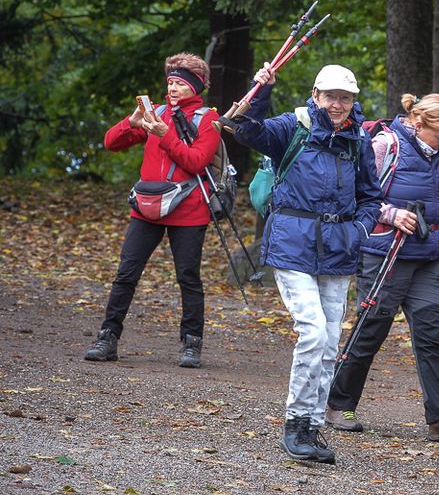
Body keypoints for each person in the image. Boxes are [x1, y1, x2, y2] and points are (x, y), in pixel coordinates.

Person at [229, 62, 382, 465]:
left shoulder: (357, 140)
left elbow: (371, 195)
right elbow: (245, 130)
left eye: (345, 97)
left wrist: (361, 230)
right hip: (292, 244)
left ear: (353, 101)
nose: (337, 104)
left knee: (330, 343)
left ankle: (312, 427)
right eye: (330, 96)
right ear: (315, 96)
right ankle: (295, 423)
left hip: (339, 248)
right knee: (313, 332)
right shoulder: (292, 126)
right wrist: (260, 90)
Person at [326, 93, 439, 443]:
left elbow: (433, 196)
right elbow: (355, 195)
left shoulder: (434, 152)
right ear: (420, 123)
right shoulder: (385, 144)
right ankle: (337, 404)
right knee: (372, 329)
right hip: (385, 254)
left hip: (425, 256)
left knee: (430, 336)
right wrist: (391, 214)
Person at [85, 53, 220, 369]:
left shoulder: (207, 119)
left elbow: (196, 162)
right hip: (146, 207)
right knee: (126, 273)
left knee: (188, 277)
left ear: (195, 87)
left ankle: (191, 344)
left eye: (180, 84)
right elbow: (111, 143)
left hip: (189, 211)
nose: (172, 88)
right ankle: (107, 338)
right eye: (171, 82)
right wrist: (130, 123)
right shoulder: (154, 113)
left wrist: (164, 134)